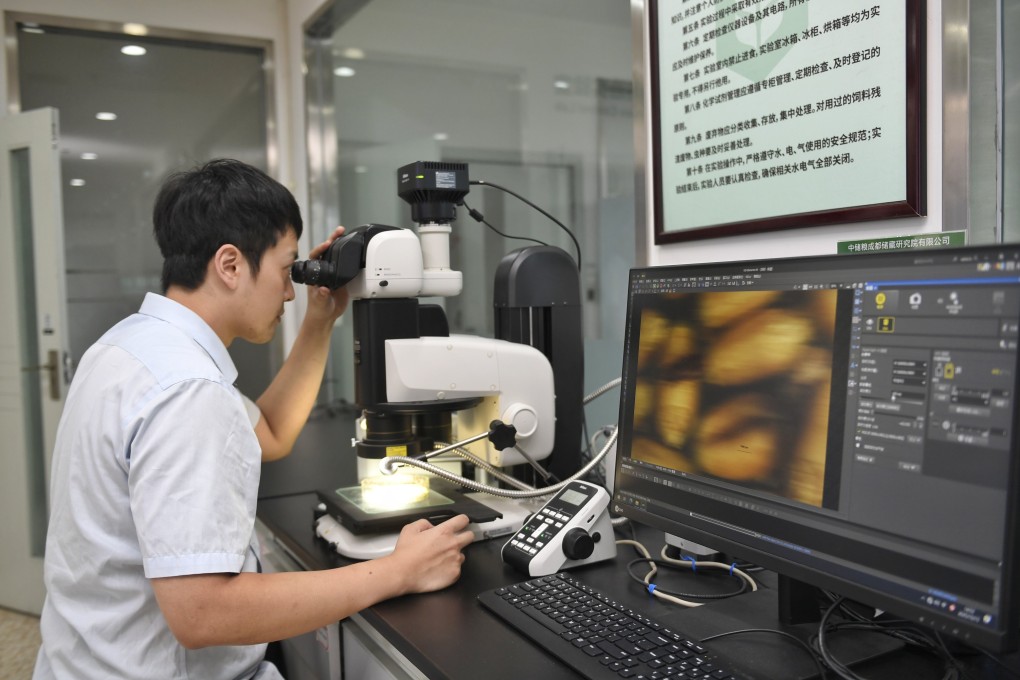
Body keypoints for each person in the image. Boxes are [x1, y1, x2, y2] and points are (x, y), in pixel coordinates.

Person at [34, 159, 475, 680]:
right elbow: (203, 612)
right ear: (230, 264)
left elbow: (269, 432)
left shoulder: (130, 347)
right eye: (287, 270)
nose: (290, 291)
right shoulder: (190, 393)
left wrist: (319, 321)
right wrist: (396, 573)